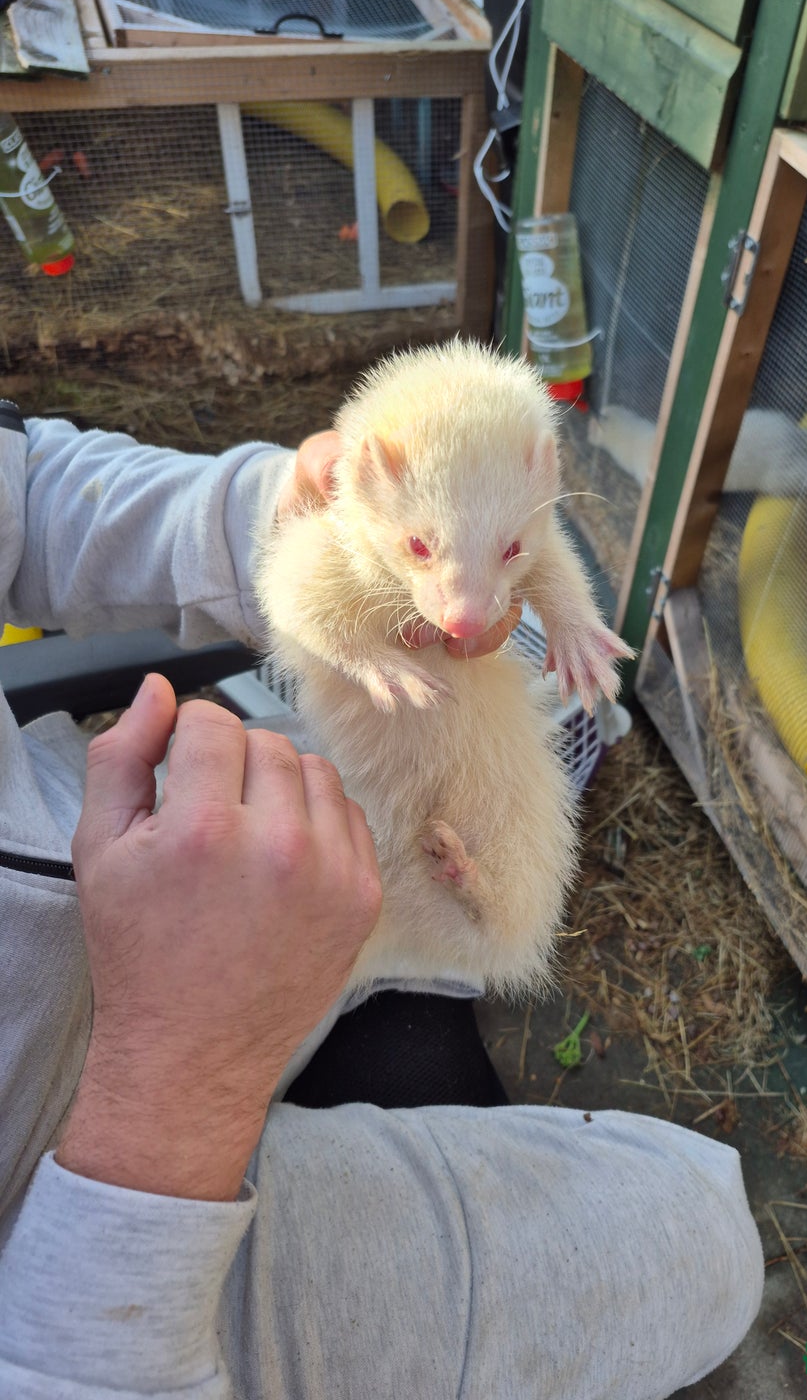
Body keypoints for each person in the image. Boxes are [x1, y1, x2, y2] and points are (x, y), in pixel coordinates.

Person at [0, 409, 764, 1399]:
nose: (463, 615)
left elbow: (31, 490)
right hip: (79, 1264)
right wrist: (180, 1073)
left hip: (173, 876)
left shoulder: (454, 513)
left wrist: (270, 503)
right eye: (425, 552)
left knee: (446, 883)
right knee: (704, 1233)